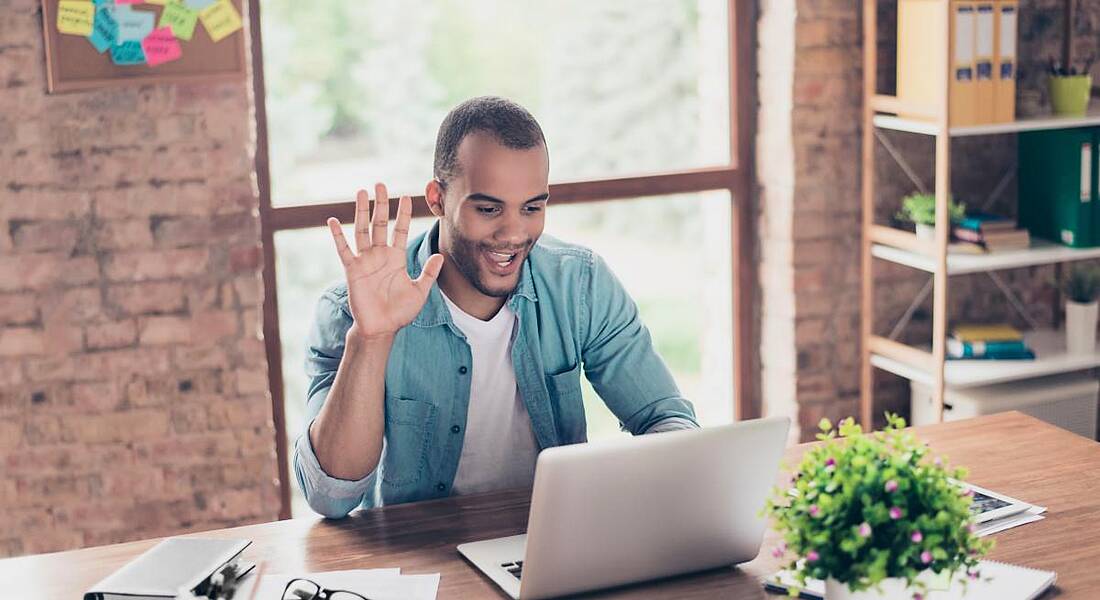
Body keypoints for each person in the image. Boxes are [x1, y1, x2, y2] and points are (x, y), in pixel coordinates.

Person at [294, 96, 698, 518]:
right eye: (488, 209)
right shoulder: (350, 310)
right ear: (437, 198)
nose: (513, 233)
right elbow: (331, 497)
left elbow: (665, 419)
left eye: (532, 208)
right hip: (421, 561)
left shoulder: (580, 284)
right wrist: (371, 339)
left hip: (551, 545)